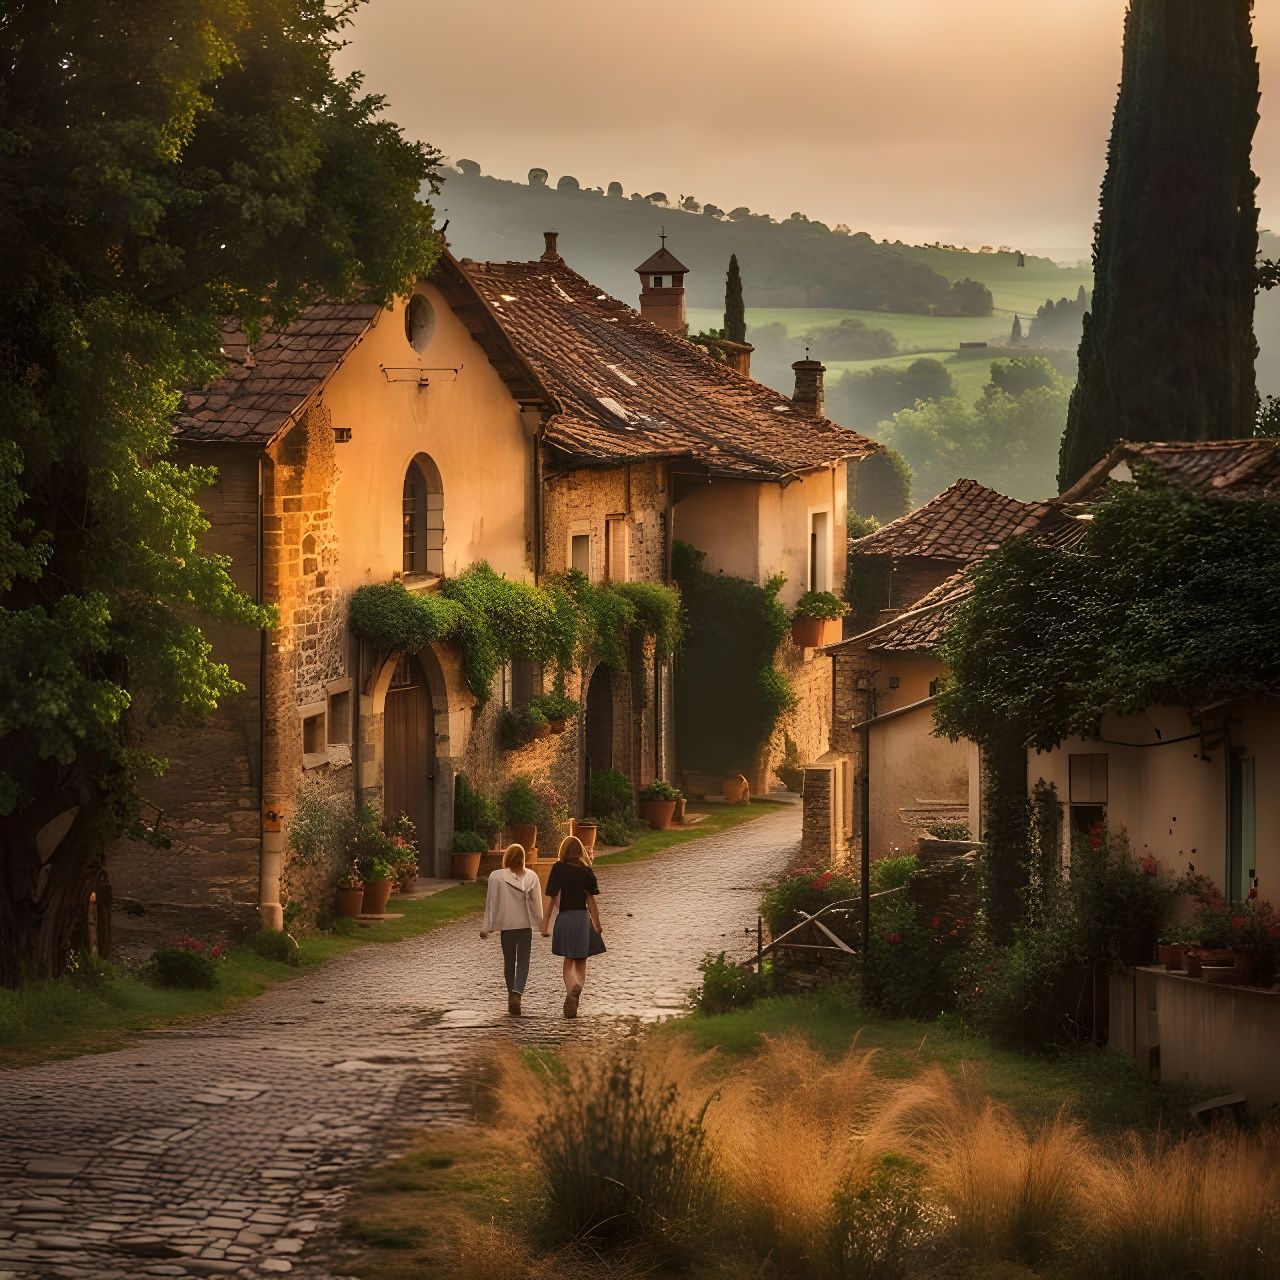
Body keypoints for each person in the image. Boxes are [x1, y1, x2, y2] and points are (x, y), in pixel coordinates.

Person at [541, 834, 605, 1018]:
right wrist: (597, 925)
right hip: (582, 919)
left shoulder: (559, 868)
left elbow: (552, 898)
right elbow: (591, 900)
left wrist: (544, 926)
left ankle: (571, 988)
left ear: (564, 851)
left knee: (568, 959)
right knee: (582, 958)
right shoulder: (586, 872)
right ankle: (578, 989)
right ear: (580, 852)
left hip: (566, 918)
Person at [479, 843, 543, 1016]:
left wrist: (486, 927)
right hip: (524, 926)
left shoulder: (496, 877)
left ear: (507, 858)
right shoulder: (531, 877)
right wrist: (541, 925)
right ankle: (517, 992)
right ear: (523, 859)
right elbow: (536, 904)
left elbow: (491, 903)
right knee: (523, 962)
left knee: (509, 962)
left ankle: (510, 994)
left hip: (506, 927)